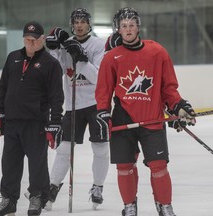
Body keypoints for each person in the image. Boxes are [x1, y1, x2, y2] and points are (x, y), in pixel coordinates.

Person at [95, 7, 196, 216]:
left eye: (132, 25)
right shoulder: (111, 58)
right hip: (123, 120)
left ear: (138, 27)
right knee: (124, 166)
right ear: (118, 30)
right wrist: (103, 113)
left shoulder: (157, 52)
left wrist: (177, 106)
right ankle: (129, 206)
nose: (128, 29)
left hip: (152, 119)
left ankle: (165, 206)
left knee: (158, 166)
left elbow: (168, 88)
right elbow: (103, 91)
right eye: (124, 26)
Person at [0, 21, 64, 216]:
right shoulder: (13, 57)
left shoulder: (51, 64)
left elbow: (57, 97)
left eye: (34, 40)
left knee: (37, 163)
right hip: (12, 121)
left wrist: (55, 122)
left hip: (36, 123)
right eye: (27, 39)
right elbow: (3, 87)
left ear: (42, 40)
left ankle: (38, 196)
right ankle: (8, 199)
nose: (30, 43)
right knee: (10, 162)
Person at [45, 8, 110, 210]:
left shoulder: (99, 45)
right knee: (64, 149)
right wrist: (54, 49)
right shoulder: (66, 46)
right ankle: (53, 187)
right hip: (73, 106)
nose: (79, 25)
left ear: (89, 24)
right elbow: (55, 73)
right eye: (76, 22)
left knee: (100, 149)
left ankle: (98, 187)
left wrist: (81, 59)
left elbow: (100, 79)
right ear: (72, 24)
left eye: (83, 21)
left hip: (97, 104)